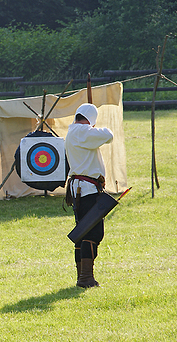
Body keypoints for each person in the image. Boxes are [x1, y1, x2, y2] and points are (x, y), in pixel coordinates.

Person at [65, 103, 113, 288]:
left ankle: (83, 277)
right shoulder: (82, 132)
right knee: (92, 232)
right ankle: (85, 278)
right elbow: (108, 135)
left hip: (81, 189)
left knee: (83, 231)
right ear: (90, 120)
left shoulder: (75, 131)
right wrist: (93, 127)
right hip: (86, 190)